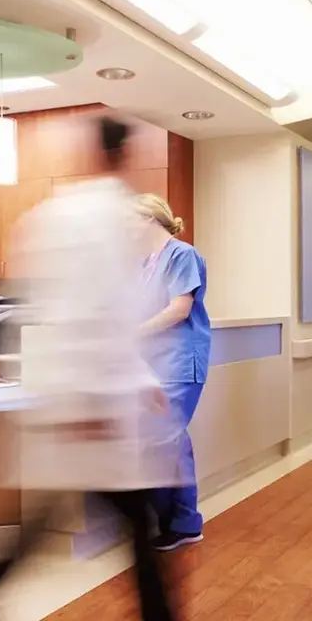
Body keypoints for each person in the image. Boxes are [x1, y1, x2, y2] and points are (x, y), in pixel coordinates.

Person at [0, 117, 180, 621]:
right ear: (123, 154)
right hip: (86, 402)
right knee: (132, 522)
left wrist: (136, 381)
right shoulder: (103, 220)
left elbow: (88, 313)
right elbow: (92, 313)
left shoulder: (53, 215)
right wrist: (97, 401)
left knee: (52, 520)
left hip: (73, 396)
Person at [135, 194, 211, 552]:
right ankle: (177, 521)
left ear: (149, 218)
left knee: (164, 439)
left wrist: (134, 332)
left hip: (180, 360)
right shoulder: (145, 262)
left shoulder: (182, 254)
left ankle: (183, 523)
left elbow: (179, 309)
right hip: (154, 362)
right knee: (166, 441)